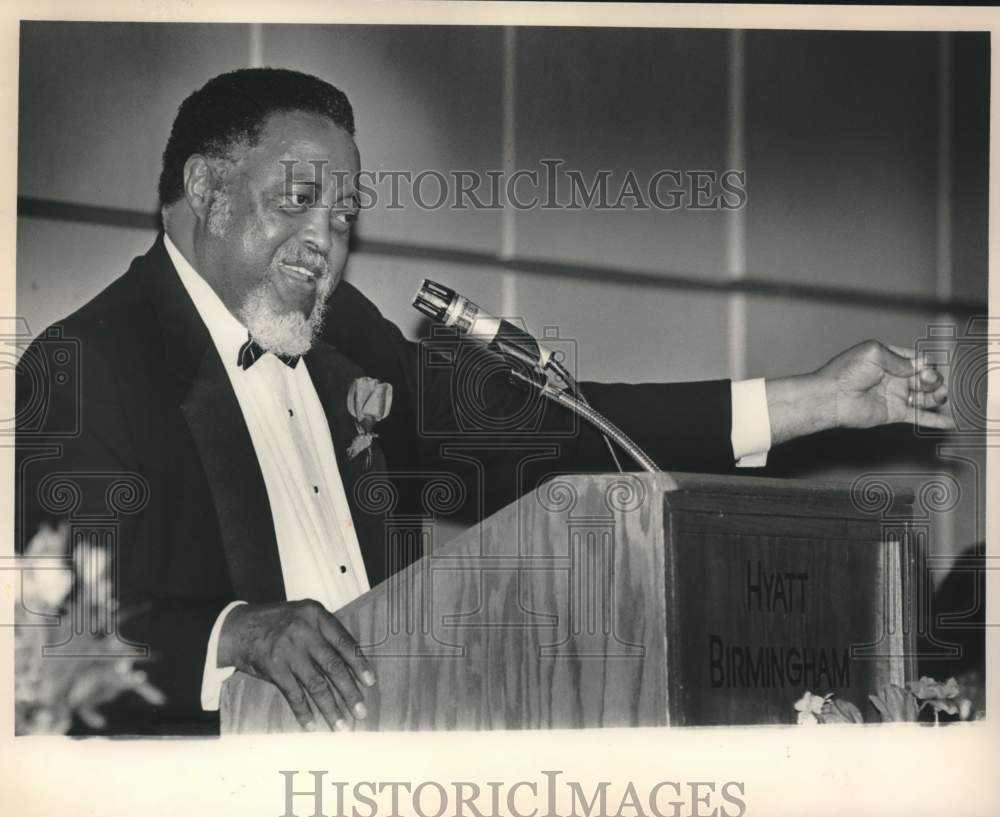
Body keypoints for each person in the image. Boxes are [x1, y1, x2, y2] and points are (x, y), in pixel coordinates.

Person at [15, 68, 952, 736]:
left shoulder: (343, 335)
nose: (326, 239)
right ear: (208, 190)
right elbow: (61, 643)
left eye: (343, 214)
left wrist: (814, 400)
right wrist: (239, 631)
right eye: (298, 198)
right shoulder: (90, 363)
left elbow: (551, 437)